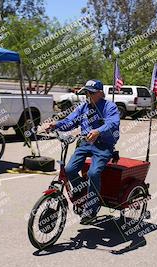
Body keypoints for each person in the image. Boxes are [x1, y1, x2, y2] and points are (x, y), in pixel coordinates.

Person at [46, 80, 120, 224]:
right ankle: (83, 189)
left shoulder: (109, 107)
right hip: (85, 143)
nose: (88, 95)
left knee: (93, 173)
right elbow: (70, 121)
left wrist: (98, 131)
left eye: (91, 93)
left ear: (100, 93)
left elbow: (113, 123)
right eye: (86, 92)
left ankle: (91, 207)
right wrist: (56, 125)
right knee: (68, 169)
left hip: (103, 145)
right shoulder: (83, 107)